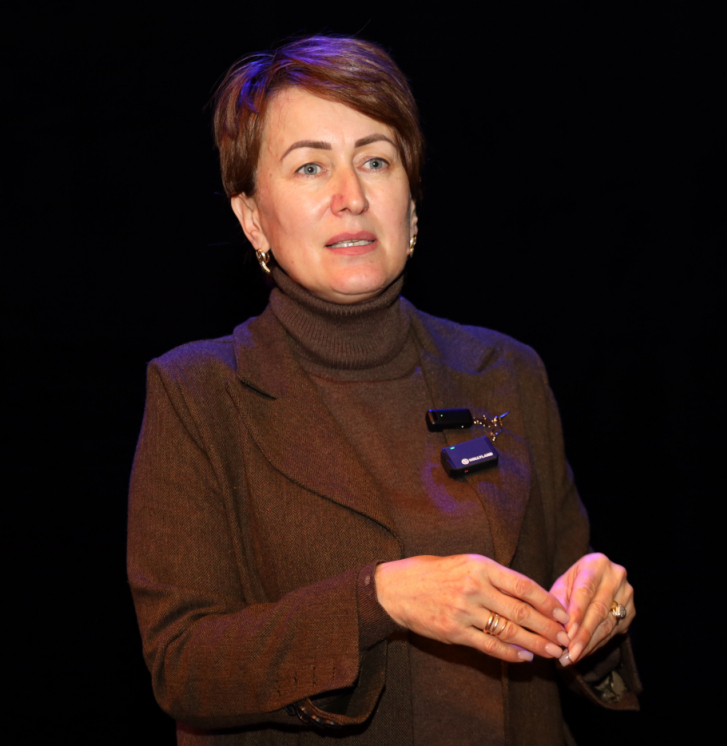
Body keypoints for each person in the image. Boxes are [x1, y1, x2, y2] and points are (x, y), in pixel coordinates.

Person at [127, 35, 640, 745]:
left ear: (412, 202)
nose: (352, 197)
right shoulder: (200, 393)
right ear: (253, 219)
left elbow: (564, 614)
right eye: (311, 167)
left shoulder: (507, 370)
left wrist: (598, 617)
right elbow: (184, 668)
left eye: (375, 160)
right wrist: (377, 601)